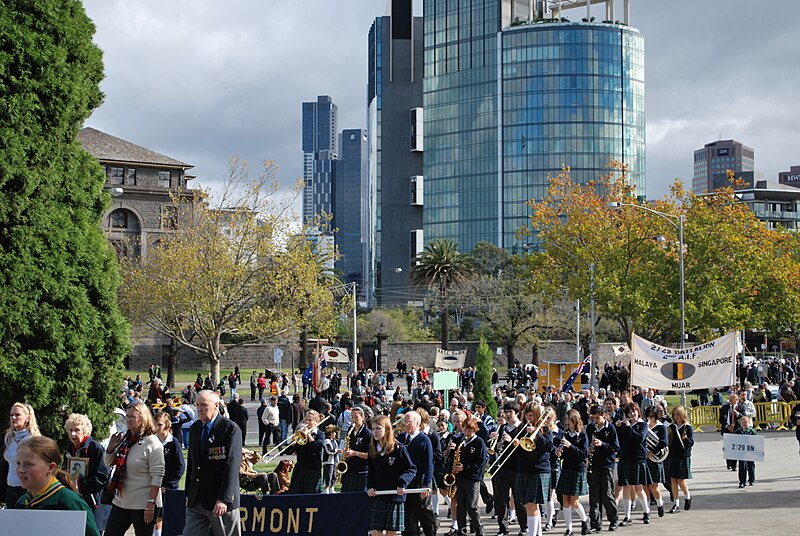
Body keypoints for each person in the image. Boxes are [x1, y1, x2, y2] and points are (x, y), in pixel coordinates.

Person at [15, 435, 101, 536]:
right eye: (18, 463)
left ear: (51, 468)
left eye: (28, 464)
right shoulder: (21, 503)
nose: (20, 470)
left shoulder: (71, 503)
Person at [184, 390, 243, 536]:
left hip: (220, 500)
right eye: (197, 405)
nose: (199, 409)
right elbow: (192, 463)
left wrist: (224, 498)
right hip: (197, 499)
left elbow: (232, 466)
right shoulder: (195, 428)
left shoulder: (229, 429)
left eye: (204, 405)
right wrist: (188, 494)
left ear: (216, 406)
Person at [103, 401, 165, 536]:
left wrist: (150, 504)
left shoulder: (152, 443)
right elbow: (109, 463)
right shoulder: (125, 439)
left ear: (143, 419)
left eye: (132, 417)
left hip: (144, 504)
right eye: (127, 416)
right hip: (121, 501)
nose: (128, 420)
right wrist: (111, 448)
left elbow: (158, 476)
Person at [367, 415, 417, 536]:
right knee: (375, 532)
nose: (375, 432)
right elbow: (371, 472)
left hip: (394, 496)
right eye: (373, 429)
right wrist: (370, 486)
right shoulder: (372, 449)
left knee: (391, 533)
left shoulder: (398, 448)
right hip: (378, 495)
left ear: (387, 429)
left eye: (379, 428)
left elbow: (411, 469)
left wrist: (402, 483)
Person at [63, 413, 111, 530]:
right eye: (70, 430)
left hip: (94, 503)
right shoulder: (69, 450)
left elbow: (103, 477)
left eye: (77, 430)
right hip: (75, 501)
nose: (73, 434)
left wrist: (80, 484)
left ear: (85, 431)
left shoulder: (96, 448)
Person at [490, 402, 528, 536]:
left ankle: (524, 527)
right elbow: (497, 447)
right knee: (501, 500)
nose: (507, 415)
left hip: (517, 468)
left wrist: (512, 440)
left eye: (510, 412)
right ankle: (503, 528)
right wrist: (497, 442)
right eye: (506, 412)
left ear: (517, 413)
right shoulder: (502, 427)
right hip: (503, 467)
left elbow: (526, 448)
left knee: (519, 500)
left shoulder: (523, 428)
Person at [514, 404, 553, 536]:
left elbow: (549, 447)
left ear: (537, 415)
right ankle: (537, 533)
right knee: (528, 505)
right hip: (524, 469)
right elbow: (519, 452)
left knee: (532, 505)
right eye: (526, 415)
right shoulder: (521, 428)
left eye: (531, 415)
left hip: (539, 469)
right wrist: (515, 444)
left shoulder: (545, 429)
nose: (528, 418)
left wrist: (536, 435)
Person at [396, 411, 437, 536]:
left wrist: (426, 485)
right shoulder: (401, 438)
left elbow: (429, 464)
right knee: (408, 516)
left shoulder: (424, 440)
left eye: (409, 422)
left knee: (423, 513)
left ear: (418, 423)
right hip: (406, 482)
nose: (406, 424)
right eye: (405, 422)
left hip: (419, 483)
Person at [615, 403, 651, 527]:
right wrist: (620, 427)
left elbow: (639, 438)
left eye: (634, 411)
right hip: (625, 458)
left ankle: (646, 512)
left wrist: (629, 426)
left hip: (638, 458)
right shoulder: (625, 425)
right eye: (629, 413)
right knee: (626, 487)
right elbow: (621, 440)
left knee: (638, 487)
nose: (632, 414)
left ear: (638, 411)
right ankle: (627, 516)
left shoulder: (643, 424)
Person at [555, 409, 590, 536]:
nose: (567, 422)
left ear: (575, 420)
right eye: (566, 420)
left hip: (577, 469)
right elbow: (564, 455)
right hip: (567, 468)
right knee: (565, 500)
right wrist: (559, 453)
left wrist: (570, 446)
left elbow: (583, 454)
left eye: (569, 420)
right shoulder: (565, 434)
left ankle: (585, 520)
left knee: (574, 501)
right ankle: (569, 529)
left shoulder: (582, 436)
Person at [586, 404, 619, 532]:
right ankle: (595, 523)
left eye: (597, 418)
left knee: (607, 494)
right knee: (594, 495)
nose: (595, 420)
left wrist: (602, 444)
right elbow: (587, 442)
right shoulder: (590, 428)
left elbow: (615, 447)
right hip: (594, 464)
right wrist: (589, 448)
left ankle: (613, 519)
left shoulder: (610, 428)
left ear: (603, 416)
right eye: (593, 418)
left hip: (606, 464)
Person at [453, 415, 487, 536]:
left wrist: (465, 467)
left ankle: (479, 528)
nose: (467, 431)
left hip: (473, 479)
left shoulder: (479, 442)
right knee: (461, 505)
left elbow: (481, 462)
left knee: (472, 506)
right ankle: (461, 529)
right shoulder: (462, 442)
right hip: (461, 477)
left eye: (470, 429)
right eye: (466, 429)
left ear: (475, 429)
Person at [4, 402, 42, 508]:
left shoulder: (33, 438)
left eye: (17, 415)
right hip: (11, 486)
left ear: (27, 418)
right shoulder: (8, 437)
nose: (14, 417)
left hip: (27, 488)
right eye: (12, 415)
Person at [153, 411, 185, 536]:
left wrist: (169, 485)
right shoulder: (153, 442)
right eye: (155, 424)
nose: (156, 427)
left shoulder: (173, 443)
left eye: (160, 424)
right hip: (154, 485)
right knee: (153, 514)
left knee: (163, 515)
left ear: (167, 425)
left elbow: (180, 466)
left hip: (167, 488)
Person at [285, 409, 324, 494]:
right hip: (300, 468)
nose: (307, 422)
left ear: (316, 421)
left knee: (312, 496)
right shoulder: (300, 434)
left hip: (313, 469)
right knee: (296, 496)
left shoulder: (320, 434)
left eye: (310, 420)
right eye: (306, 419)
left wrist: (309, 435)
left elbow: (317, 448)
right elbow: (288, 452)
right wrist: (292, 443)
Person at [666, 405, 693, 513]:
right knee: (673, 480)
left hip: (683, 456)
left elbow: (691, 443)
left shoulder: (687, 427)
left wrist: (686, 440)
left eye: (678, 414)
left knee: (681, 480)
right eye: (674, 414)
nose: (676, 416)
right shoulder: (671, 427)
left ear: (682, 415)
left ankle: (687, 496)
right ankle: (675, 503)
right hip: (673, 455)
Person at [339, 407, 372, 492]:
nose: (353, 419)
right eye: (352, 417)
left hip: (362, 472)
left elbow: (371, 455)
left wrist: (355, 453)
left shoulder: (368, 434)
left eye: (356, 417)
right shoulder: (350, 430)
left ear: (363, 418)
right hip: (350, 470)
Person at [643, 406, 667, 518]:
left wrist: (652, 452)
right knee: (644, 486)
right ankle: (646, 510)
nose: (649, 418)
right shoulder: (644, 426)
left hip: (655, 458)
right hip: (644, 459)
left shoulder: (661, 427)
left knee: (653, 486)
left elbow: (663, 442)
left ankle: (659, 504)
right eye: (648, 416)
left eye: (652, 416)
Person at [735, 415, 756, 488]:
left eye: (746, 422)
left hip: (750, 451)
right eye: (743, 422)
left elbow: (757, 442)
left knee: (751, 465)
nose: (744, 424)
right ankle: (742, 482)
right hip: (742, 452)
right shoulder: (738, 431)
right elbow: (733, 441)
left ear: (749, 423)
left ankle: (751, 480)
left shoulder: (752, 431)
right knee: (742, 466)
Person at [322, 424, 339, 494]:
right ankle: (326, 489)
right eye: (334, 432)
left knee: (333, 476)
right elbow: (329, 450)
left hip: (334, 461)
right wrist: (337, 450)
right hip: (328, 462)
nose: (335, 434)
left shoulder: (334, 441)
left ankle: (332, 488)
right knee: (328, 476)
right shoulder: (326, 441)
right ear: (331, 433)